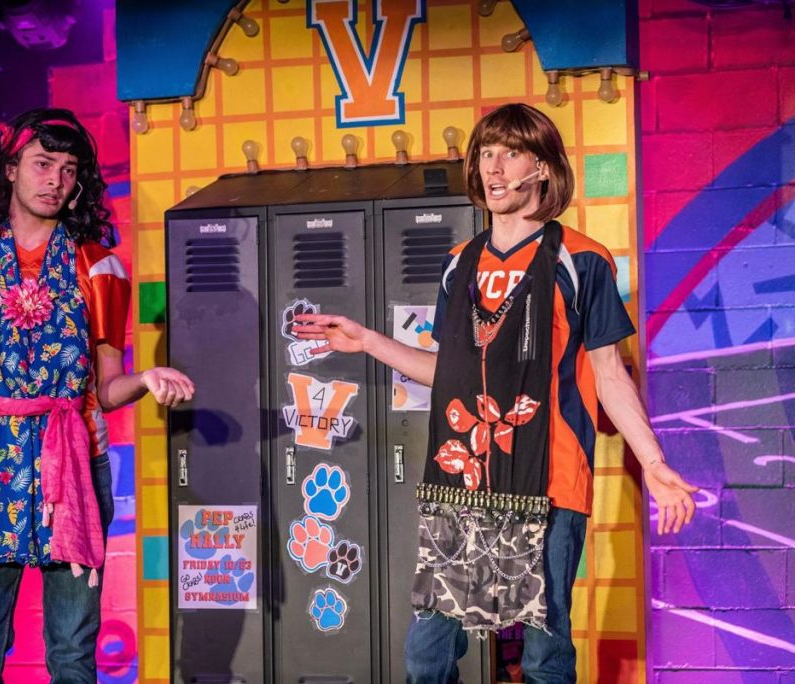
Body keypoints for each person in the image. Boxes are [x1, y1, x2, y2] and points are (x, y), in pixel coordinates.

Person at [294, 103, 697, 683]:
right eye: (486, 153)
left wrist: (653, 462)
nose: (494, 167)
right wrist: (368, 342)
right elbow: (450, 373)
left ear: (542, 168)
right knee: (427, 653)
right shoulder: (458, 263)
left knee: (543, 656)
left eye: (511, 153)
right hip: (462, 482)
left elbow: (609, 374)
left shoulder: (582, 260)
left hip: (550, 482)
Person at [0, 108, 194, 682]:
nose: (55, 180)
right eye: (42, 164)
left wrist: (144, 380)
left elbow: (107, 387)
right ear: (10, 169)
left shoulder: (99, 266)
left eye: (69, 170)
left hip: (75, 466)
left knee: (72, 653)